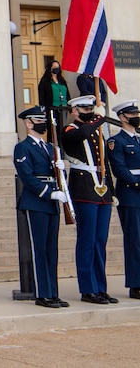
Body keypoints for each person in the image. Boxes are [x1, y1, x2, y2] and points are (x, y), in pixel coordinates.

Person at [61, 95, 116, 304]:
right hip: (84, 188)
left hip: (102, 190)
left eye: (90, 109)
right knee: (87, 240)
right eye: (84, 109)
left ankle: (100, 288)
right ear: (74, 111)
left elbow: (105, 162)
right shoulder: (70, 131)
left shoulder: (97, 131)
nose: (88, 112)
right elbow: (82, 134)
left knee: (100, 241)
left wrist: (112, 191)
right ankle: (88, 288)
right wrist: (98, 120)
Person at [13, 105, 69, 309]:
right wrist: (48, 192)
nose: (42, 124)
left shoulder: (49, 147)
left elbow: (59, 176)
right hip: (37, 201)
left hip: (53, 201)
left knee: (51, 249)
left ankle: (53, 293)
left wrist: (62, 172)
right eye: (38, 120)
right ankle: (43, 294)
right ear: (28, 123)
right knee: (40, 249)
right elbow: (27, 176)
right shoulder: (23, 147)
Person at [106, 99, 140, 300]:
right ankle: (136, 284)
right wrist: (137, 183)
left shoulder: (138, 139)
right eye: (133, 115)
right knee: (135, 240)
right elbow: (119, 168)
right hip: (130, 193)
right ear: (122, 117)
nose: (136, 118)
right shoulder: (116, 142)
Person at [37, 60, 69, 144]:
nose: (56, 69)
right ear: (50, 69)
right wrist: (43, 109)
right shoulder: (45, 81)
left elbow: (67, 93)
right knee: (53, 129)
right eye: (54, 68)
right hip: (52, 108)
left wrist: (70, 106)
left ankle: (63, 148)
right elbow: (42, 96)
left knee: (63, 129)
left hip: (63, 108)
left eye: (58, 67)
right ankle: (53, 147)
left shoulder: (62, 80)